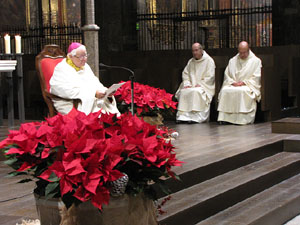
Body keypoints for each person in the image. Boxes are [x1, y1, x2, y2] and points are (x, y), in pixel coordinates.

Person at [50, 42, 120, 116]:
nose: (84, 59)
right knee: (99, 113)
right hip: (69, 102)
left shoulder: (85, 66)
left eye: (85, 55)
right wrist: (94, 94)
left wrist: (105, 91)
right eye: (81, 57)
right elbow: (64, 90)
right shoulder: (62, 68)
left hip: (90, 99)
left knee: (108, 111)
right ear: (70, 56)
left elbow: (94, 82)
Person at [217, 41, 262, 125]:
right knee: (225, 90)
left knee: (243, 91)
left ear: (249, 50)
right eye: (240, 52)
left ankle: (242, 119)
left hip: (247, 85)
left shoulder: (256, 61)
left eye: (244, 52)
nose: (242, 55)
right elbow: (227, 75)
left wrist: (244, 82)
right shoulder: (233, 60)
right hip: (234, 84)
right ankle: (225, 118)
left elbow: (256, 77)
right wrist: (232, 82)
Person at [175, 43, 215, 123]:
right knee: (184, 91)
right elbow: (185, 74)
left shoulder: (209, 61)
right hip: (191, 86)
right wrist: (187, 84)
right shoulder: (191, 62)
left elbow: (210, 76)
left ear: (201, 50)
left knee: (196, 91)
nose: (194, 53)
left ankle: (196, 118)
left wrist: (201, 84)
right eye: (193, 51)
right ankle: (183, 117)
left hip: (203, 86)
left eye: (196, 50)